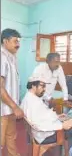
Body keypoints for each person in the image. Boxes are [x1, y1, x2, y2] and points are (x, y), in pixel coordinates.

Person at [20, 75, 72, 144]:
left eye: (45, 86)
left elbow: (42, 117)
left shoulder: (28, 98)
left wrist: (57, 117)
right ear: (33, 86)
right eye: (42, 86)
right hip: (47, 135)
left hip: (41, 133)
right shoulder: (34, 102)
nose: (44, 89)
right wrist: (62, 125)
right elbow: (38, 125)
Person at [1, 28, 24, 156]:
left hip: (9, 109)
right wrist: (15, 107)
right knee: (1, 142)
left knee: (11, 138)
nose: (18, 44)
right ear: (5, 41)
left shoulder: (13, 58)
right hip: (3, 110)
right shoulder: (1, 57)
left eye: (19, 41)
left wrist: (15, 105)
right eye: (15, 41)